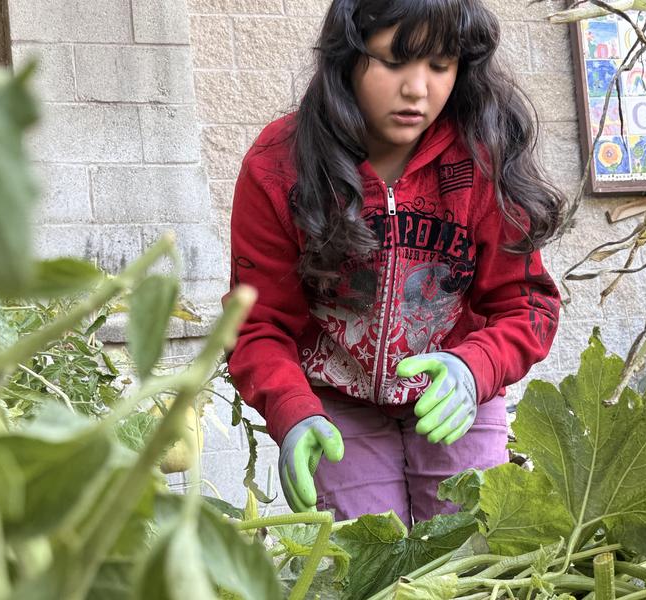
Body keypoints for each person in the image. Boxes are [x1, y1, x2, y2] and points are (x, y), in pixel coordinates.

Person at [224, 0, 564, 526]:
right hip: (336, 405)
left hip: (454, 401)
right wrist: (291, 412)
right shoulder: (279, 165)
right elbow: (258, 321)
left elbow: (528, 304)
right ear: (347, 57)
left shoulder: (485, 156)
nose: (417, 90)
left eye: (439, 64)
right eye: (392, 60)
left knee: (465, 559)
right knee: (367, 564)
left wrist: (475, 370)